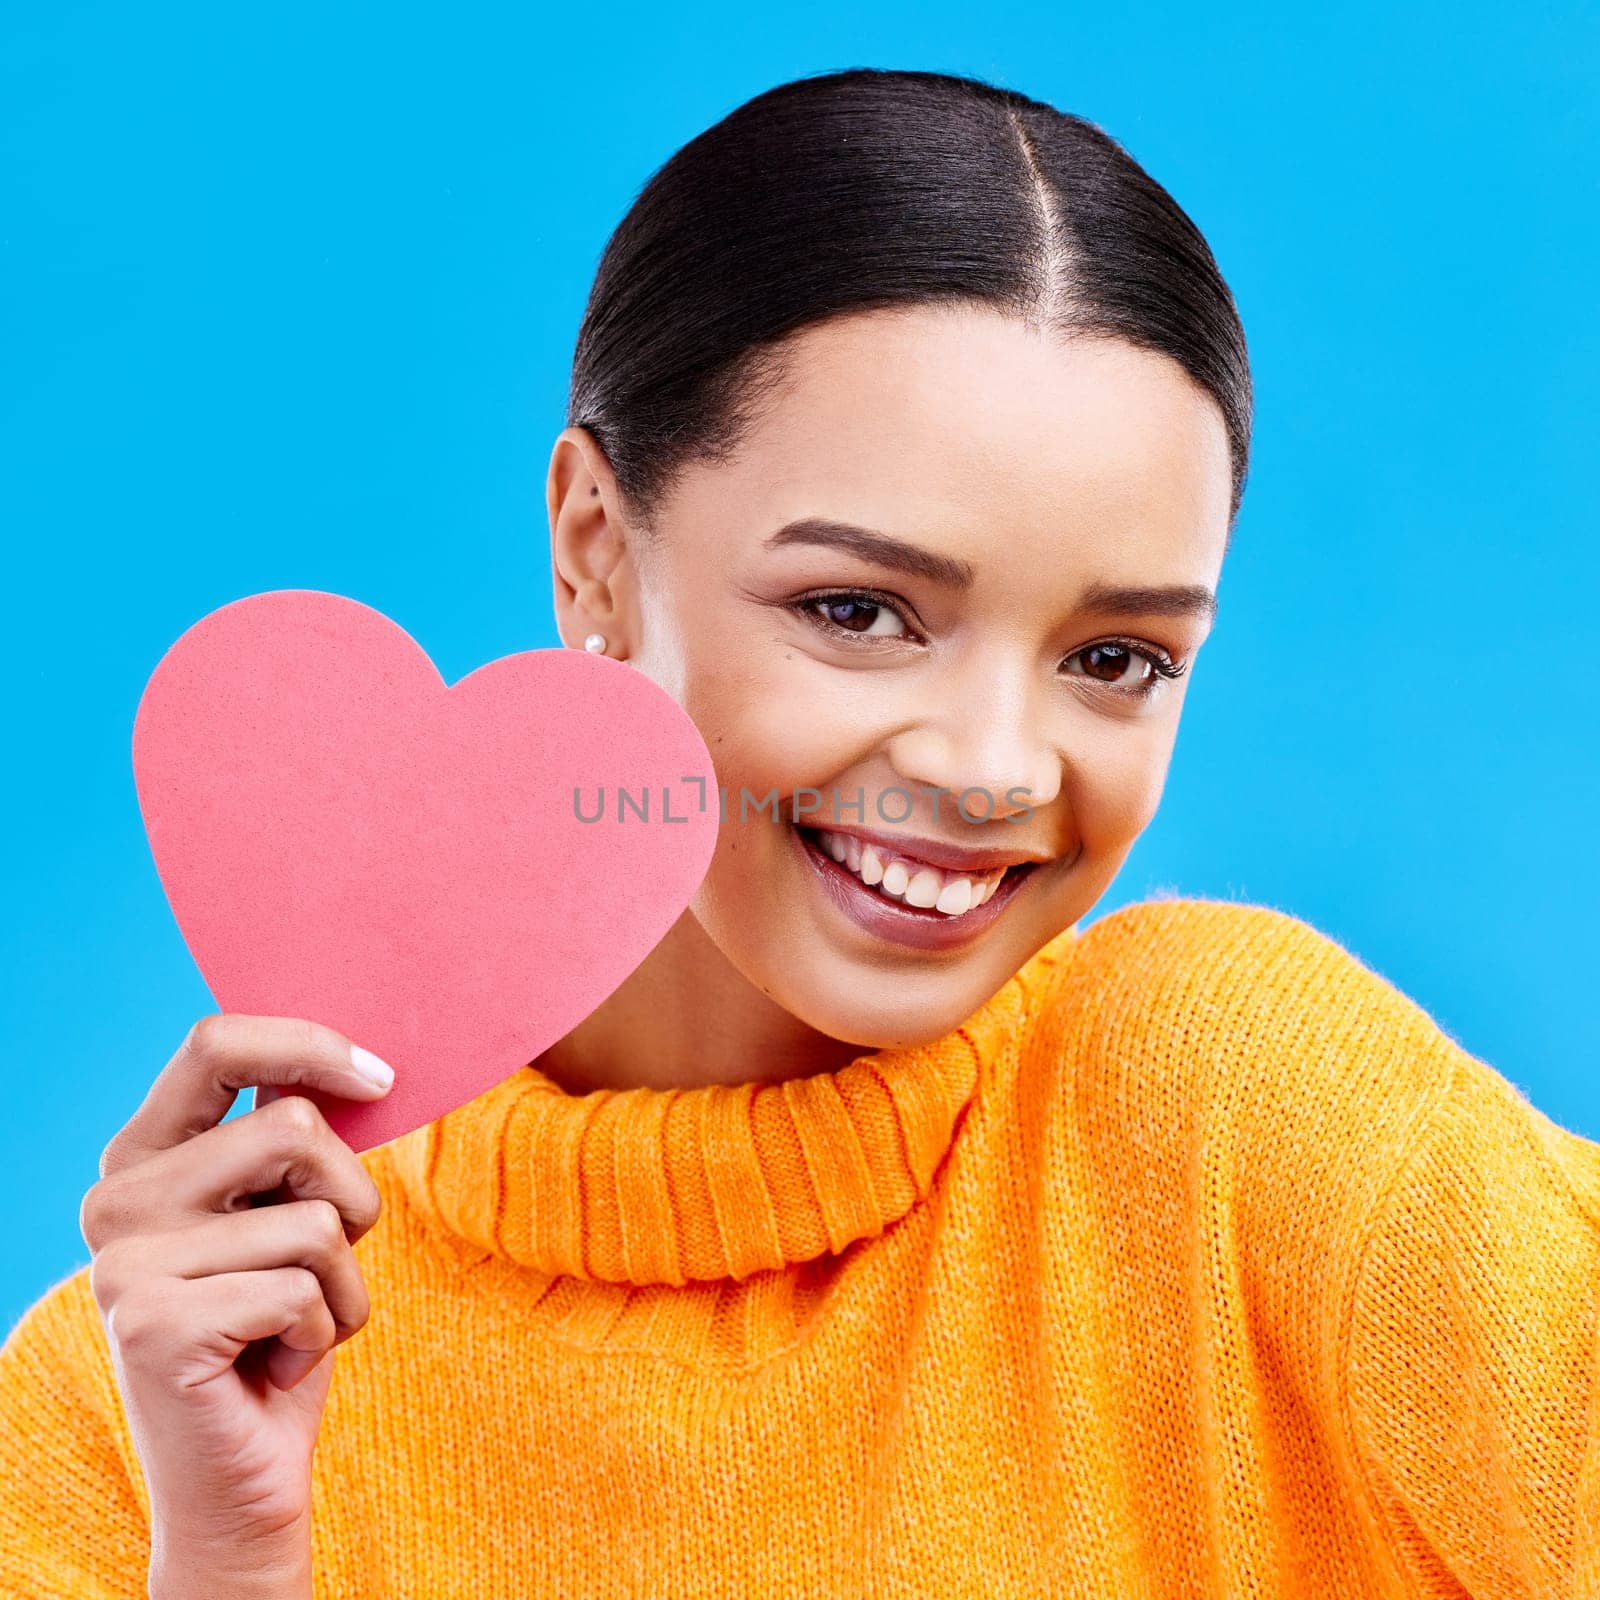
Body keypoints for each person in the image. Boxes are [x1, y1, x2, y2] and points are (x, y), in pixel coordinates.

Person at [2, 65, 1596, 1599]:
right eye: (861, 610)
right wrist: (225, 1567)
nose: (988, 770)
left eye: (1116, 660)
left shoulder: (1242, 1123)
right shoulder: (140, 1394)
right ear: (594, 557)